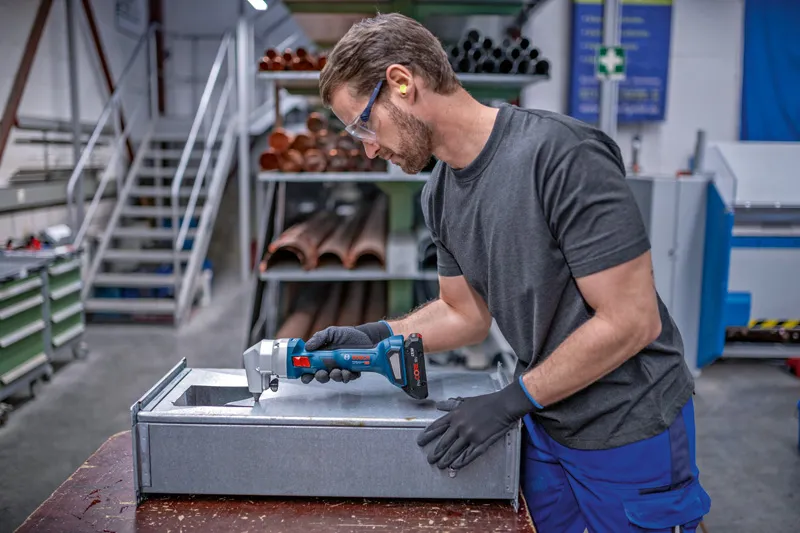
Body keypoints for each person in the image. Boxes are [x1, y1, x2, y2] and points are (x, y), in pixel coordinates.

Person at [302, 12, 711, 533]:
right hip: (546, 419)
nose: (368, 147)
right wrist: (375, 335)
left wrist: (508, 402)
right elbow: (462, 314)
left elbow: (632, 321)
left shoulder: (561, 155)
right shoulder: (440, 193)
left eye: (364, 123)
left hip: (628, 427)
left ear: (403, 83)